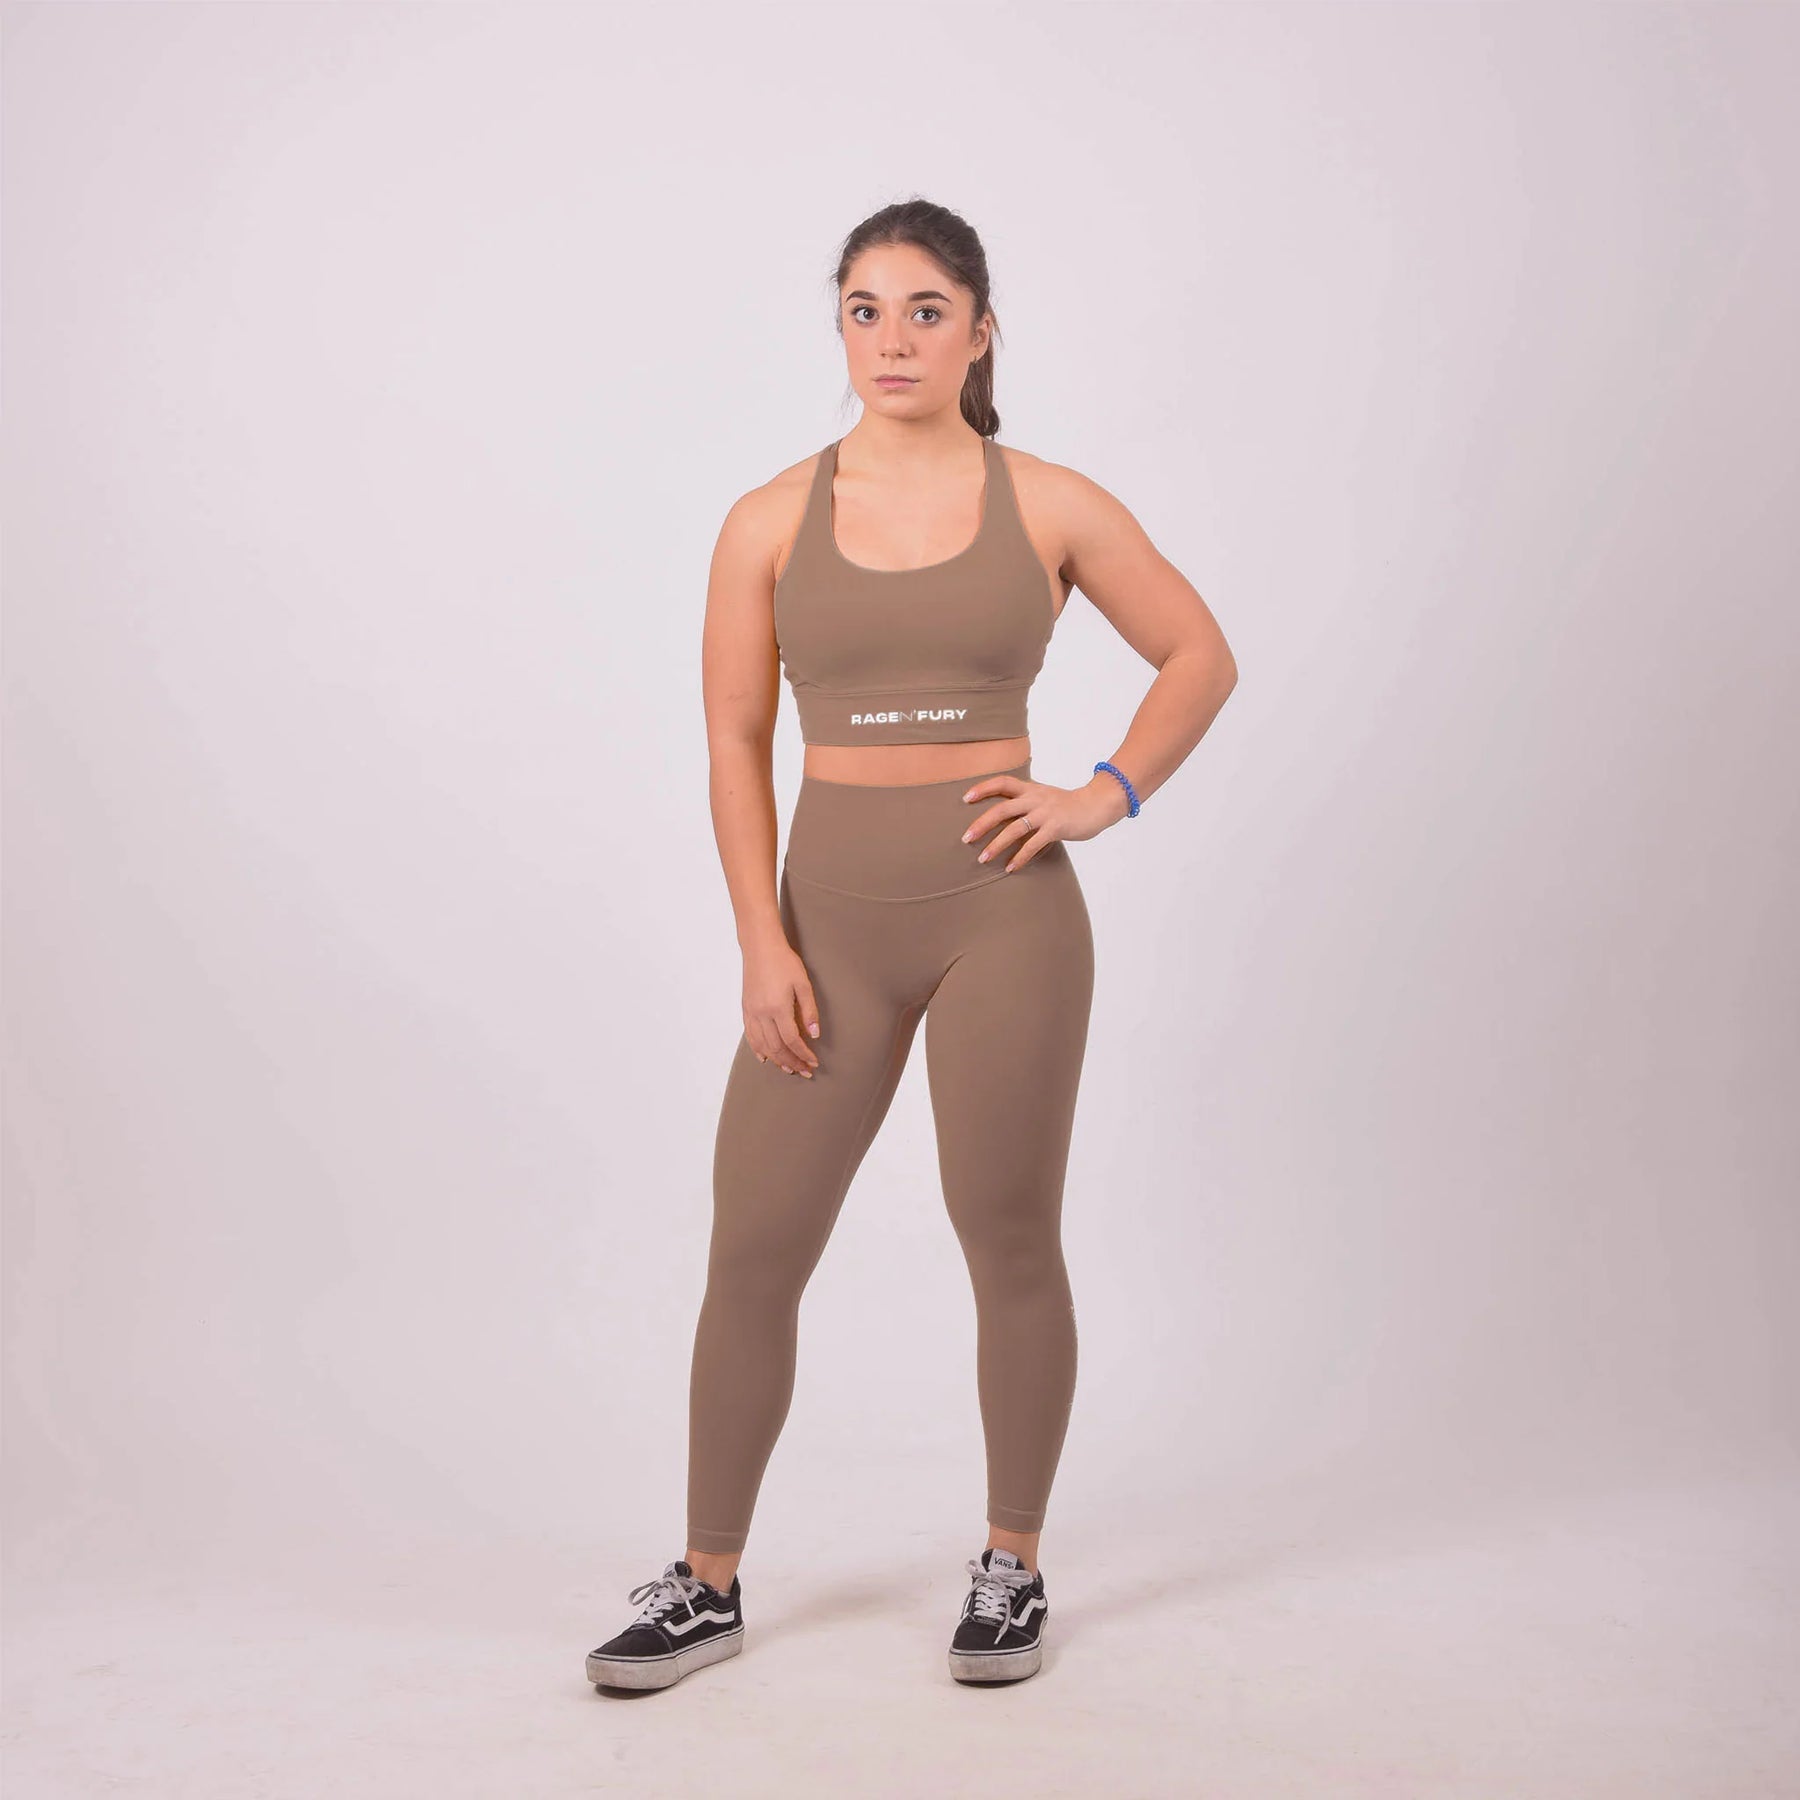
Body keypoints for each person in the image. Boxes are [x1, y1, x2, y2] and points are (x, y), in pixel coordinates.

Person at [587, 198, 1238, 1693]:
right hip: (828, 925)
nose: (893, 339)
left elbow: (1199, 653)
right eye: (866, 310)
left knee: (1005, 1232)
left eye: (927, 310)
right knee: (756, 1245)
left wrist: (1100, 795)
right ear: (840, 329)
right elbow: (735, 739)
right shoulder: (767, 519)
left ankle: (1012, 1564)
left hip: (1005, 914)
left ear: (981, 332)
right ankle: (706, 1584)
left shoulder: (1051, 503)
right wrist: (761, 940)